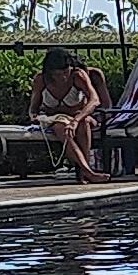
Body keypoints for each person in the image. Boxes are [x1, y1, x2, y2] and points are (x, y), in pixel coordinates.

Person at [28, 46, 107, 182]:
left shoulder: (78, 76)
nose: (63, 77)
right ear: (50, 73)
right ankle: (87, 171)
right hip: (55, 119)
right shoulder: (41, 80)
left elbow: (95, 100)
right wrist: (34, 117)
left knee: (84, 123)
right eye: (58, 74)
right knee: (61, 127)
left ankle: (84, 170)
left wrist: (76, 120)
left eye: (66, 72)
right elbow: (33, 108)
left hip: (80, 116)